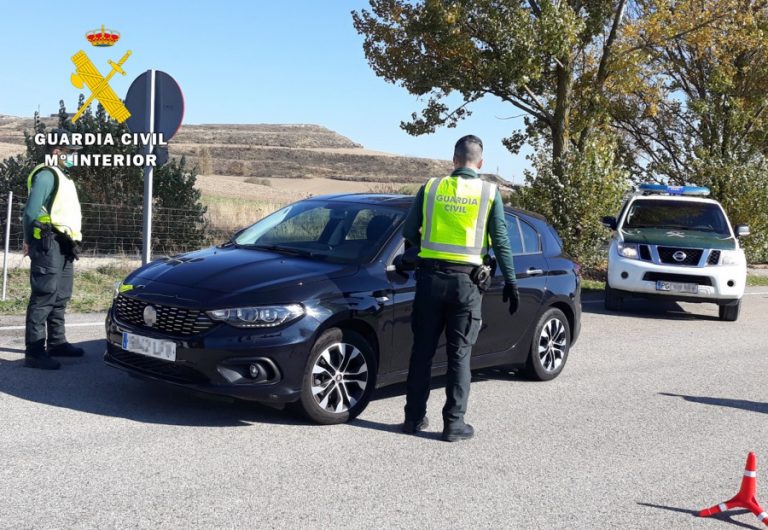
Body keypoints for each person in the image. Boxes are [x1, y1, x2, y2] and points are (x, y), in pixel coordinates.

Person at [401, 135, 518, 442]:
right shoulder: (489, 193)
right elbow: (502, 240)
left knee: (421, 353)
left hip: (429, 281)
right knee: (459, 355)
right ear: (479, 164)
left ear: (453, 160)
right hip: (466, 285)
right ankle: (454, 424)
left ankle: (413, 419)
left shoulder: (431, 187)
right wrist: (512, 280)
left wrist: (420, 250)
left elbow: (408, 231)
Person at [22, 128, 84, 370]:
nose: (73, 156)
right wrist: (28, 240)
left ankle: (57, 343)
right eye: (70, 152)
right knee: (44, 295)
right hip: (48, 243)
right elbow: (30, 211)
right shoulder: (47, 175)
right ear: (57, 151)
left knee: (61, 296)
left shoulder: (62, 175)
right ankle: (35, 352)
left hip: (65, 244)